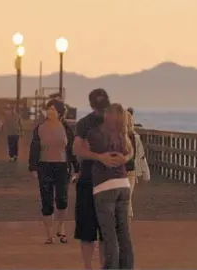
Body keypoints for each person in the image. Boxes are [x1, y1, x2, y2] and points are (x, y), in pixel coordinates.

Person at [72, 89, 127, 270]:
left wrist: (125, 158)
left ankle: (105, 265)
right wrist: (99, 157)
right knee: (88, 231)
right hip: (89, 180)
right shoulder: (85, 124)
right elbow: (77, 149)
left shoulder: (114, 121)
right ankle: (89, 267)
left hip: (108, 183)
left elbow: (129, 143)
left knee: (106, 233)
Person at [86, 103, 134, 270]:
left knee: (109, 234)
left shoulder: (97, 133)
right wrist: (125, 159)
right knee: (124, 232)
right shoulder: (123, 135)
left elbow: (84, 151)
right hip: (123, 184)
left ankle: (111, 267)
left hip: (104, 185)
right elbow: (130, 152)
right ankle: (127, 267)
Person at [28, 100, 79, 244]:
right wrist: (33, 167)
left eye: (53, 109)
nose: (50, 112)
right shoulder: (40, 128)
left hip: (62, 167)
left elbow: (72, 150)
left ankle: (61, 227)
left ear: (60, 113)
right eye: (48, 109)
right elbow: (34, 148)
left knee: (62, 199)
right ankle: (49, 233)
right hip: (45, 167)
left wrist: (77, 168)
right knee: (46, 200)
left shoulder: (67, 129)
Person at [125, 110, 151, 219]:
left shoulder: (116, 135)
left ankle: (125, 221)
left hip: (123, 170)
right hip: (130, 170)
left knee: (125, 198)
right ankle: (126, 221)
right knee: (127, 197)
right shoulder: (135, 137)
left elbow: (140, 155)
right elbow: (141, 156)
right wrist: (146, 173)